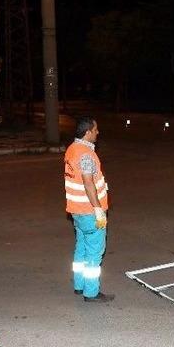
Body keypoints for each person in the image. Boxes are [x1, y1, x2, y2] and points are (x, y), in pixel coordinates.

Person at [65, 116, 113, 302]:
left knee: (81, 248)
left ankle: (79, 285)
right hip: (89, 211)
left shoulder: (72, 149)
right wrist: (98, 208)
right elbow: (87, 181)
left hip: (76, 210)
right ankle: (91, 292)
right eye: (95, 130)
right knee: (94, 253)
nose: (97, 132)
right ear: (87, 133)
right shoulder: (85, 154)